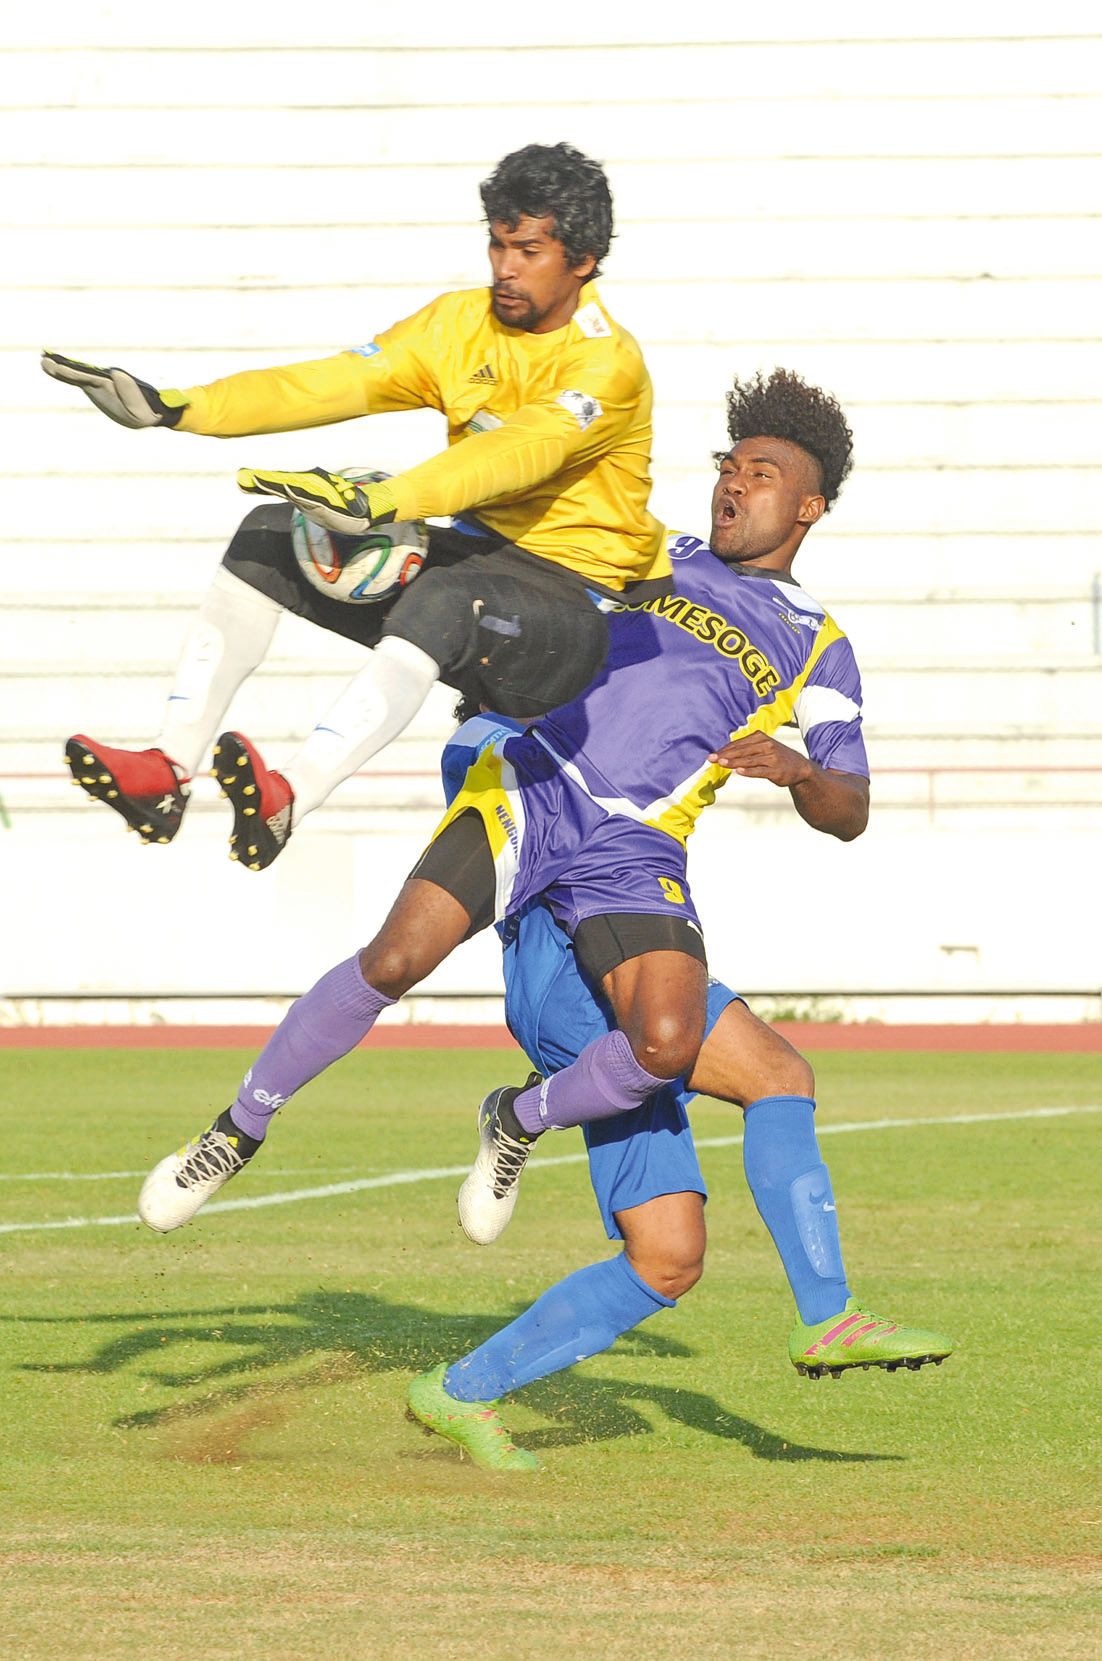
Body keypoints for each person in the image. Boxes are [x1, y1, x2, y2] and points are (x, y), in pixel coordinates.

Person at [45, 142, 670, 869]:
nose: (504, 267)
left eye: (528, 251)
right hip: (483, 564)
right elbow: (335, 381)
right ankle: (167, 770)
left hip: (578, 607)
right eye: (497, 244)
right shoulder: (459, 323)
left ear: (583, 260)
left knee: (443, 597)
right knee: (270, 534)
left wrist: (383, 501)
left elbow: (515, 452)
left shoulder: (607, 363)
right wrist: (183, 408)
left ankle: (288, 797)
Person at [398, 719, 952, 1471]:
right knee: (776, 1075)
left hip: (629, 961)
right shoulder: (491, 733)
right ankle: (828, 1315)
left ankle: (459, 1392)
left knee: (667, 1258)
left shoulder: (614, 697)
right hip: (570, 978)